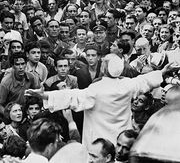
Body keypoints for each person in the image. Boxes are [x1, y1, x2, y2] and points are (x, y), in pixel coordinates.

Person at [25, 53, 176, 150]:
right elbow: (145, 81)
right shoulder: (128, 85)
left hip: (97, 143)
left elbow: (70, 96)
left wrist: (43, 95)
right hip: (120, 141)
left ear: (104, 68)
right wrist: (163, 71)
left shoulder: (95, 90)